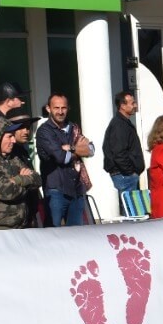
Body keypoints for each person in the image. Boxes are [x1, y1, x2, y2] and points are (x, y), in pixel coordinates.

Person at [35, 93, 93, 227]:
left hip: (76, 189)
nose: (60, 112)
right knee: (53, 233)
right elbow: (62, 158)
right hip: (56, 189)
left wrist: (70, 148)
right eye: (56, 108)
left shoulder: (73, 128)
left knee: (75, 235)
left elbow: (91, 150)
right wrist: (77, 149)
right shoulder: (44, 131)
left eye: (63, 108)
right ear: (48, 108)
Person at [0, 116, 41, 229]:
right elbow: (8, 192)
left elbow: (37, 179)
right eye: (9, 137)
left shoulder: (14, 159)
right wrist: (23, 180)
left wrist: (17, 180)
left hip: (23, 225)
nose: (14, 140)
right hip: (1, 228)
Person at [102, 90, 144, 199]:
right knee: (131, 210)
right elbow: (119, 152)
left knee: (132, 208)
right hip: (124, 175)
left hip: (125, 174)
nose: (135, 105)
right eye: (132, 103)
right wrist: (130, 172)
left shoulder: (123, 123)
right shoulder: (119, 125)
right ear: (122, 106)